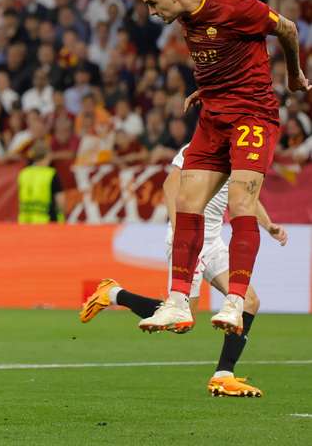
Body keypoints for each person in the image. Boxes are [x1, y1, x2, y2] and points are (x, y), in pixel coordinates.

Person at [133, 0, 309, 334]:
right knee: (186, 202)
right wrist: (209, 88)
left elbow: (288, 29)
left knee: (240, 203)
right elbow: (224, 56)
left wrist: (293, 75)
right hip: (214, 116)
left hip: (252, 116)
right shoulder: (184, 17)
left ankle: (234, 302)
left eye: (153, 4)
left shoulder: (236, 6)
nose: (151, 13)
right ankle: (178, 303)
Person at [80, 144, 287, 397]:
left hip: (213, 242)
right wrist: (182, 232)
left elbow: (247, 197)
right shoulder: (198, 147)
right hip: (189, 241)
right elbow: (170, 186)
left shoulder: (243, 153)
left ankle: (223, 376)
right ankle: (113, 293)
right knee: (184, 322)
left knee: (250, 301)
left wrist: (270, 226)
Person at [17, 142, 64, 223]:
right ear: (47, 155)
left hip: (25, 221)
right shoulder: (51, 174)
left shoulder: (23, 173)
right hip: (47, 221)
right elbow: (60, 201)